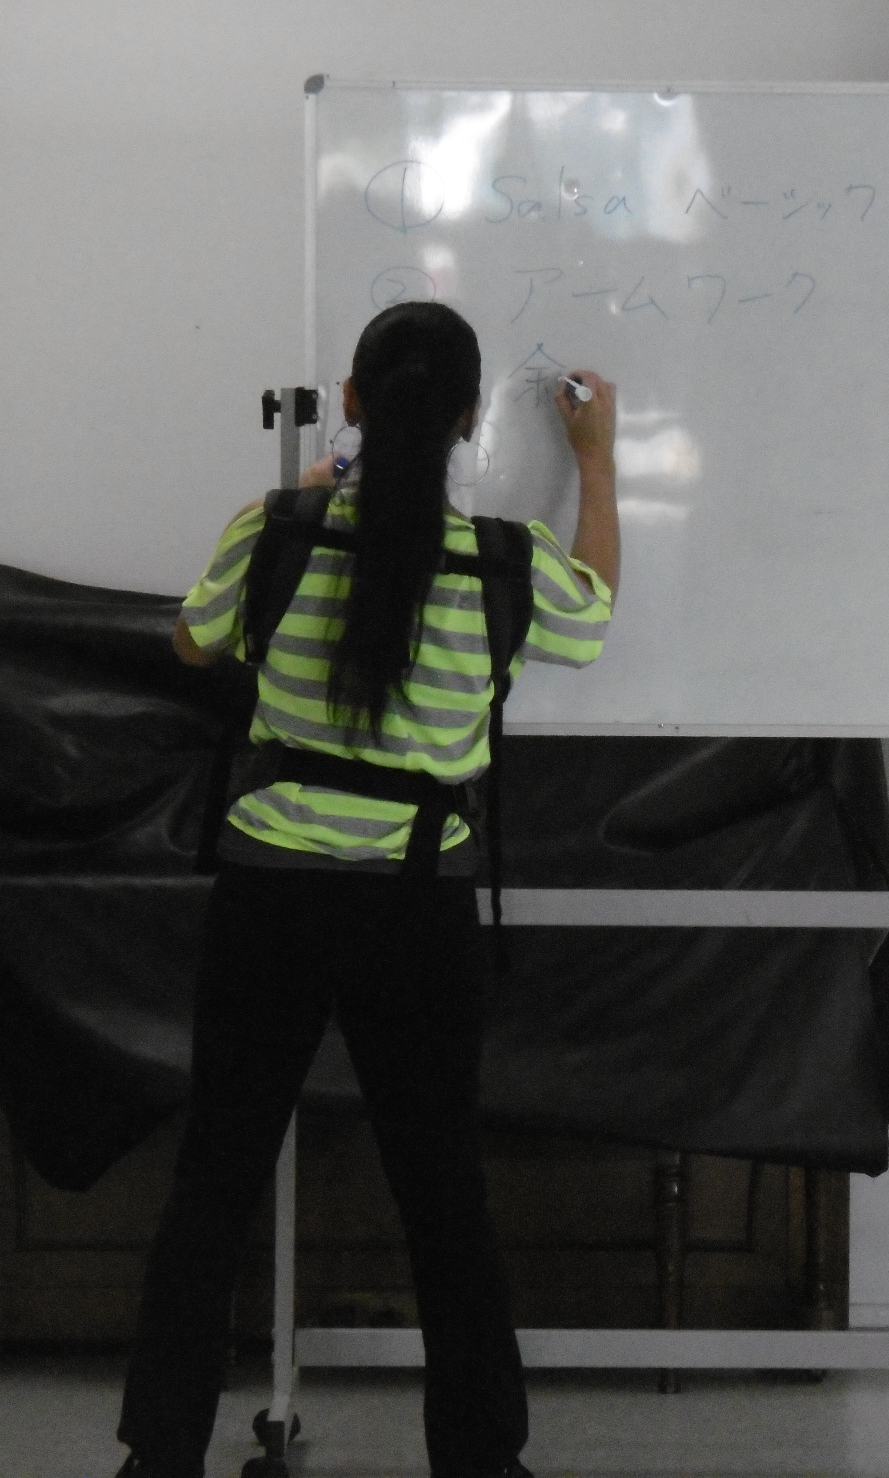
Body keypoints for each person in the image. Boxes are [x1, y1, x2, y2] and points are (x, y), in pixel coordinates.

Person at [115, 301, 619, 1478]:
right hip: (417, 906)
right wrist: (595, 462)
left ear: (348, 402)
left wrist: (297, 503)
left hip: (268, 900)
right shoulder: (501, 562)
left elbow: (192, 646)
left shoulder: (277, 532)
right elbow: (592, 614)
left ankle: (159, 1458)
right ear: (468, 419)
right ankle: (481, 1462)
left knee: (215, 1180)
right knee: (443, 1193)